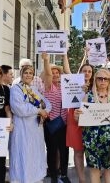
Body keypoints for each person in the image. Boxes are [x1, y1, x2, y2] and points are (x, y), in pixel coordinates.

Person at [74, 69, 110, 183]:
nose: (103, 81)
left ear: (109, 81)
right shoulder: (88, 96)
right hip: (91, 138)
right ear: (95, 80)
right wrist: (77, 115)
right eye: (100, 78)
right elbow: (79, 118)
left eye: (106, 79)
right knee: (94, 167)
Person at [9, 64, 51, 183]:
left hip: (36, 129)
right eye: (26, 73)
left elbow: (47, 104)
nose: (28, 75)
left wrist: (44, 112)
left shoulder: (34, 90)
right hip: (22, 129)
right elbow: (19, 108)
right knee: (23, 154)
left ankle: (35, 179)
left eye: (31, 73)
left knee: (35, 154)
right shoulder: (16, 89)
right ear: (21, 74)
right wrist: (38, 110)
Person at [43, 53, 72, 183]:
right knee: (52, 151)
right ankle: (54, 177)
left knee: (64, 151)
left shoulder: (66, 86)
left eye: (57, 72)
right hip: (52, 124)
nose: (55, 74)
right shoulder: (48, 87)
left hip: (65, 123)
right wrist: (46, 59)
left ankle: (64, 174)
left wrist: (65, 56)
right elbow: (48, 75)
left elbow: (68, 72)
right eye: (53, 72)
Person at [67, 63, 94, 183]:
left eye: (89, 71)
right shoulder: (73, 83)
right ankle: (81, 179)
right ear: (80, 72)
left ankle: (95, 175)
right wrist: (64, 54)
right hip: (75, 119)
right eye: (84, 71)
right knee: (78, 151)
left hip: (92, 121)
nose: (87, 73)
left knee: (92, 150)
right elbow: (67, 70)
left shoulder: (97, 85)